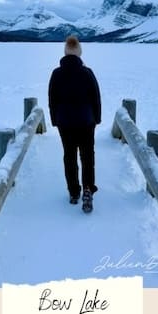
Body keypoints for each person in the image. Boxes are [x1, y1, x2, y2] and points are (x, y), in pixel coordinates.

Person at [48, 35, 102, 213]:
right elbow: (96, 98)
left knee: (69, 156)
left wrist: (55, 120)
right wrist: (97, 118)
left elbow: (52, 99)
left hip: (65, 122)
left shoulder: (56, 74)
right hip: (86, 121)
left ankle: (73, 192)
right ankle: (87, 188)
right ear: (79, 53)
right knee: (87, 156)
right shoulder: (87, 73)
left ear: (65, 52)